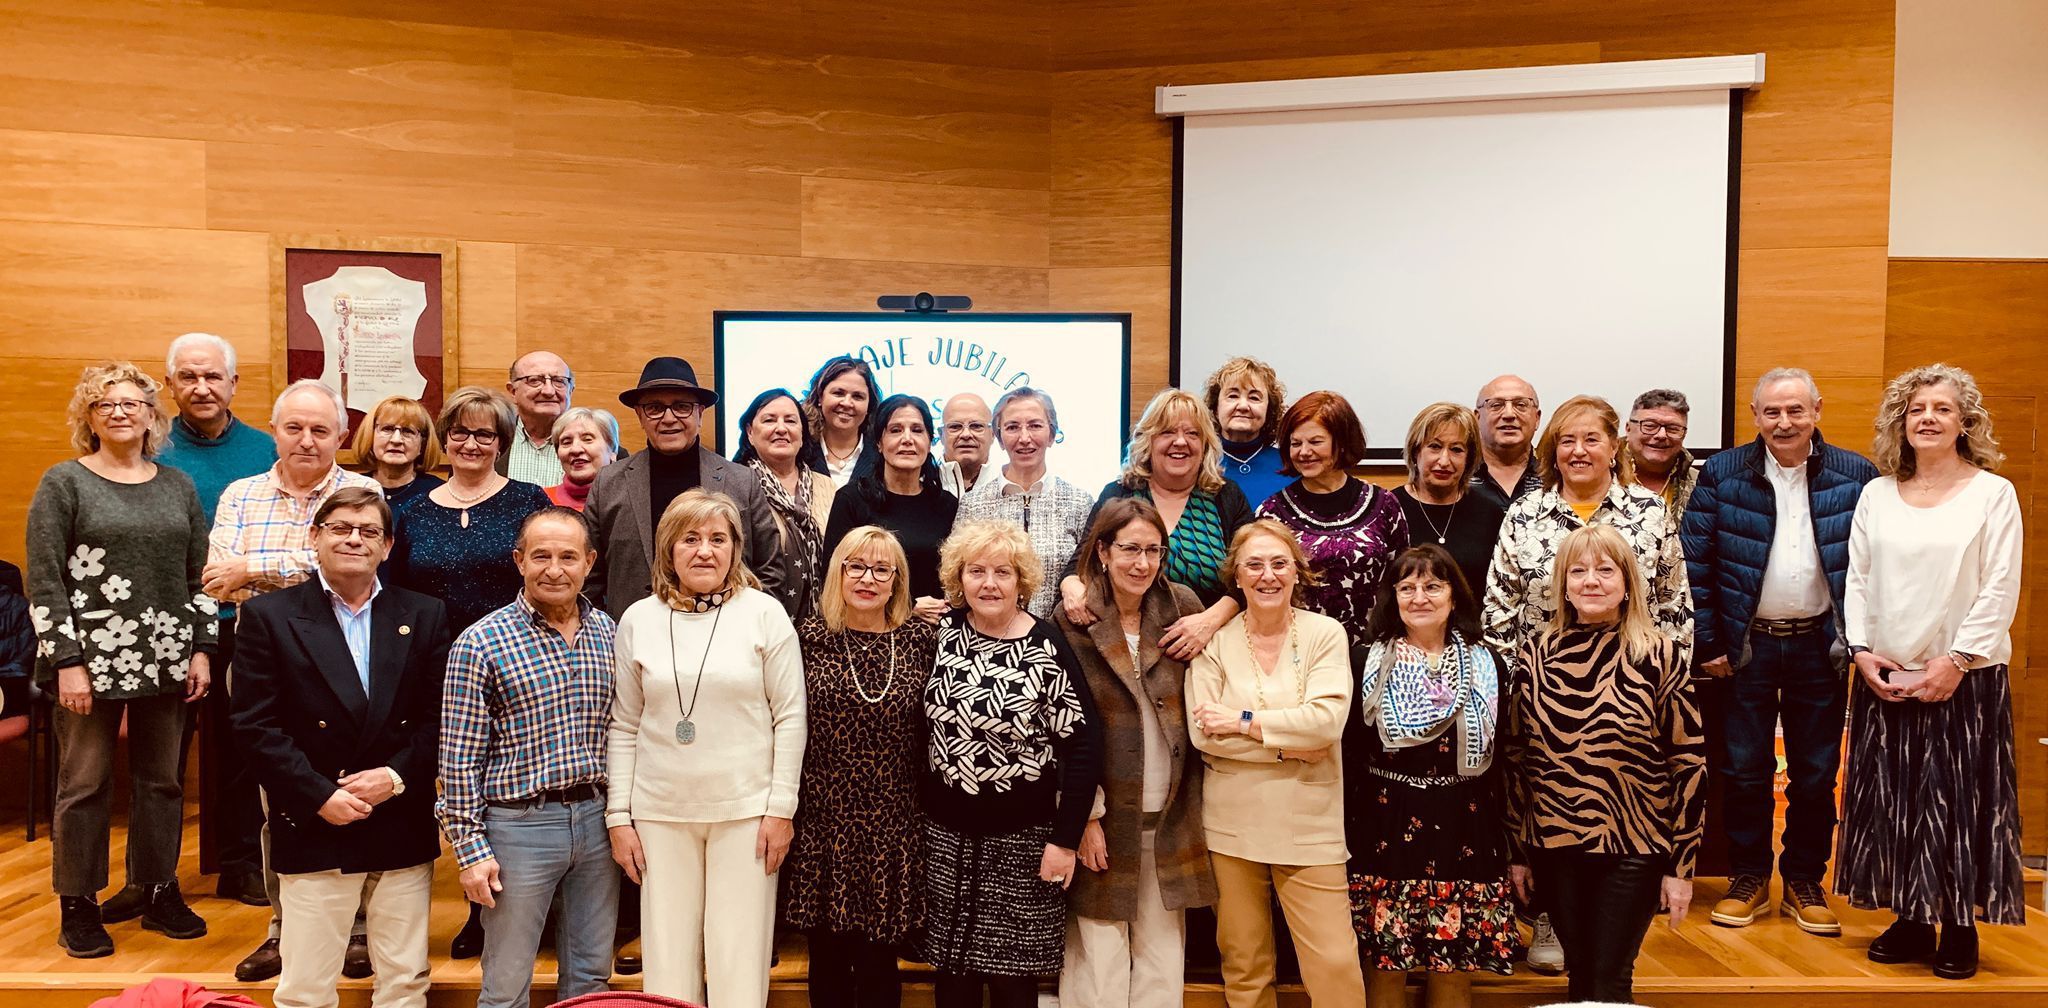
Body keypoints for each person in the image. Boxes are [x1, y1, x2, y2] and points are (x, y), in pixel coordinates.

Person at [229, 487, 451, 1008]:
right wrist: (318, 795)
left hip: (399, 816)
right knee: (307, 986)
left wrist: (394, 778)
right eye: (341, 528)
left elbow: (440, 718)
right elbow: (255, 725)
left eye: (369, 530)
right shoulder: (269, 616)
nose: (355, 539)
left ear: (388, 545)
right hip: (315, 822)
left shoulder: (424, 614)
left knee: (404, 981)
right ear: (315, 537)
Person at [1837, 364, 2024, 981]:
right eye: (1917, 408)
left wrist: (1959, 659)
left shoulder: (1993, 493)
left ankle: (1958, 925)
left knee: (1956, 803)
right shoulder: (1876, 493)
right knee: (1894, 803)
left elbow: (1999, 586)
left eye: (1942, 408)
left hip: (1962, 678)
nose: (1928, 417)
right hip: (1886, 675)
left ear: (1965, 422)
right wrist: (1861, 650)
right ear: (1901, 421)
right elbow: (1857, 579)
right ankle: (1910, 918)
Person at [28, 361, 216, 957]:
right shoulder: (65, 483)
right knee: (84, 783)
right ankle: (79, 904)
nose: (119, 411)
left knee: (161, 782)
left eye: (131, 403)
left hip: (166, 654)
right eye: (105, 404)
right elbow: (45, 579)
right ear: (88, 416)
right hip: (87, 658)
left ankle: (158, 889)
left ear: (150, 417)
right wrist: (66, 662)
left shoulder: (177, 485)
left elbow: (199, 575)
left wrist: (203, 651)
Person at [1681, 369, 1876, 937]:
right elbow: (1696, 564)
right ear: (1754, 413)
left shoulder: (1856, 474)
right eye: (1772, 412)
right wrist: (1710, 642)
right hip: (1747, 648)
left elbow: (1869, 567)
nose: (1784, 422)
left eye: (1795, 410)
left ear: (1817, 408)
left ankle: (1803, 880)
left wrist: (1860, 642)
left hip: (1822, 644)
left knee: (1816, 773)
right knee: (1744, 770)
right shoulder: (1721, 472)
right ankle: (1748, 878)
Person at [207, 378, 382, 981]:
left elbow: (348, 565)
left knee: (352, 786)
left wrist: (253, 569)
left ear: (341, 435)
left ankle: (356, 930)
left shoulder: (363, 491)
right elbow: (214, 577)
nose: (306, 440)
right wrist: (302, 570)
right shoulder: (240, 493)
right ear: (275, 431)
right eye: (294, 428)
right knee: (277, 792)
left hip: (352, 653)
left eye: (320, 429)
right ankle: (283, 930)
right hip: (264, 657)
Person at [606, 489, 806, 1008]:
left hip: (747, 812)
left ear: (736, 548)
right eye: (690, 539)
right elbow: (624, 724)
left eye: (718, 539)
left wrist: (780, 808)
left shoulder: (765, 615)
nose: (704, 551)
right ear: (669, 548)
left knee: (737, 959)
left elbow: (790, 718)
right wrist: (619, 816)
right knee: (668, 961)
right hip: (659, 812)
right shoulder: (638, 619)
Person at [1505, 524, 1704, 1004]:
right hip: (1553, 844)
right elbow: (1516, 762)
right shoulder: (1535, 656)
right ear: (1563, 585)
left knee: (1611, 979)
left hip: (1635, 844)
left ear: (1627, 581)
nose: (1591, 581)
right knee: (1579, 977)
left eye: (1604, 570)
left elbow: (1690, 763)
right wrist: (1517, 853)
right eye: (1578, 571)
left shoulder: (1660, 654)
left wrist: (1682, 868)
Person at [440, 507, 620, 1008]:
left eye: (568, 556)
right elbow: (457, 760)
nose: (554, 569)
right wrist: (470, 851)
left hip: (596, 820)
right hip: (519, 826)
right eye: (541, 556)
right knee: (507, 983)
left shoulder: (610, 632)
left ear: (589, 562)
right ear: (519, 561)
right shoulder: (481, 642)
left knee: (590, 976)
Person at [921, 520, 1100, 1008]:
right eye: (976, 572)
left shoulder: (1046, 646)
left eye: (1003, 572)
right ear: (959, 580)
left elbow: (1082, 749)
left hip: (1022, 842)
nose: (989, 584)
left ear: (1021, 580)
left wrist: (1065, 840)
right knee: (951, 976)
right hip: (946, 839)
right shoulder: (941, 636)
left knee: (1012, 983)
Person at [1187, 519, 1363, 1008]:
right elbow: (1205, 735)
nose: (1268, 575)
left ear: (1297, 572)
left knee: (1333, 964)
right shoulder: (1215, 641)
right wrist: (1293, 743)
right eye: (1255, 565)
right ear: (1237, 578)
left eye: (1279, 563)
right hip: (1231, 825)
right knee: (1243, 964)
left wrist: (1242, 721)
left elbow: (1327, 724)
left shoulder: (1326, 633)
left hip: (1310, 825)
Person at [1054, 499, 1214, 1008]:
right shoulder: (1074, 618)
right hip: (1105, 814)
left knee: (1164, 958)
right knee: (1097, 959)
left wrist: (1220, 612)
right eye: (1129, 549)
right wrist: (1084, 816)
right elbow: (1059, 727)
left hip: (1171, 814)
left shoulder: (1183, 606)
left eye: (1153, 550)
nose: (1141, 563)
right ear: (1103, 551)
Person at [1345, 546, 1518, 1007]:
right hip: (1385, 823)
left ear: (1454, 596)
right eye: (1407, 588)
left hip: (1466, 823)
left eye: (1432, 586)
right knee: (1385, 961)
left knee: (1454, 961)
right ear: (1393, 598)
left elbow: (1502, 756)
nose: (1419, 597)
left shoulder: (1489, 665)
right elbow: (1350, 752)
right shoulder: (1364, 662)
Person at [785, 527, 938, 1008]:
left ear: (897, 580)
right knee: (827, 960)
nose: (867, 578)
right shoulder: (808, 637)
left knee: (879, 964)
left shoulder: (921, 638)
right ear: (838, 572)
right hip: (824, 822)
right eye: (856, 566)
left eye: (881, 569)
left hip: (892, 824)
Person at [155, 332, 276, 909]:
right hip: (163, 622)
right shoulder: (150, 450)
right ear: (171, 383)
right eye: (188, 377)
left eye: (212, 377)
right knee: (163, 758)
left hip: (244, 620)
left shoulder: (265, 449)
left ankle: (240, 863)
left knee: (239, 749)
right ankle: (153, 879)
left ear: (233, 383)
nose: (201, 388)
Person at [1483, 393, 1692, 681]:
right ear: (1554, 451)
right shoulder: (1524, 514)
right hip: (1542, 687)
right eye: (1567, 441)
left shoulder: (1651, 511)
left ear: (1613, 449)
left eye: (1591, 440)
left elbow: (1674, 605)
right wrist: (1507, 691)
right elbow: (1499, 609)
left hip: (1634, 685)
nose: (1578, 451)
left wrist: (1668, 682)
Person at [1059, 388, 1253, 663]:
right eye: (1167, 432)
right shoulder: (1120, 493)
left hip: (1212, 651)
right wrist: (1071, 588)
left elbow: (1251, 575)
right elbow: (1078, 566)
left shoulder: (1226, 496)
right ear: (1148, 439)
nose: (1180, 442)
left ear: (1206, 444)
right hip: (1126, 653)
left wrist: (1209, 621)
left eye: (1192, 434)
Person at [584, 356, 787, 619]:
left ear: (700, 412)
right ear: (640, 415)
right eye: (654, 408)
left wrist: (749, 627)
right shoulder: (608, 483)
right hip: (632, 641)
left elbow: (770, 569)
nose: (668, 418)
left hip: (725, 639)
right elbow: (588, 574)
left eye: (681, 407)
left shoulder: (742, 481)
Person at [386, 387, 552, 634]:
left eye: (484, 435)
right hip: (430, 652)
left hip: (513, 648)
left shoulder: (529, 500)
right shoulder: (415, 511)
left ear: (501, 444)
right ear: (445, 438)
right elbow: (398, 592)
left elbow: (550, 575)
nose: (471, 444)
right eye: (460, 432)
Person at [1254, 391, 1408, 645]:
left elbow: (1402, 579)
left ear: (1343, 442)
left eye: (1315, 442)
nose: (1304, 452)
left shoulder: (1385, 504)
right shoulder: (1270, 514)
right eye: (1295, 443)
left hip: (1372, 653)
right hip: (1297, 652)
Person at [955, 387, 1095, 618]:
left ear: (1052, 435)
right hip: (990, 640)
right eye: (1012, 427)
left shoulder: (1080, 503)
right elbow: (956, 581)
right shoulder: (974, 504)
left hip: (1061, 643)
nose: (1024, 438)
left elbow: (1093, 575)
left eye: (1035, 425)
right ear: (998, 438)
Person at [822, 394, 958, 623]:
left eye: (917, 430)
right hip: (870, 633)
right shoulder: (851, 499)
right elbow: (834, 577)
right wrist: (909, 607)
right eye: (895, 430)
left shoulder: (946, 505)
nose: (907, 439)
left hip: (935, 635)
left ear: (930, 441)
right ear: (878, 442)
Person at [732, 389, 835, 623]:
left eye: (790, 421)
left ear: (802, 433)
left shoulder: (828, 487)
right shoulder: (734, 487)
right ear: (750, 432)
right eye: (769, 420)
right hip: (755, 623)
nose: (781, 428)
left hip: (824, 630)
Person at [1393, 403, 1507, 596]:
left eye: (1456, 450)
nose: (1444, 461)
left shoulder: (1489, 513)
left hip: (1474, 625)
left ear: (1469, 459)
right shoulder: (1390, 508)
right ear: (1415, 451)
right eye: (1435, 447)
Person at [1204, 356, 1289, 507]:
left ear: (1269, 411)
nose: (1243, 406)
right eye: (1233, 396)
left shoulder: (1290, 466)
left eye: (1254, 398)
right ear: (1215, 408)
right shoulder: (1199, 463)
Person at [348, 396, 444, 514]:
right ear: (370, 436)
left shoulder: (439, 493)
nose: (396, 440)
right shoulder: (352, 488)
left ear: (423, 443)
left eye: (408, 431)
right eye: (387, 429)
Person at [803, 355, 884, 487]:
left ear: (869, 405)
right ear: (819, 397)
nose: (847, 403)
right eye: (838, 393)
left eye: (857, 396)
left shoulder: (883, 456)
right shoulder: (799, 451)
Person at [1469, 375, 1543, 512]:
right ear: (1477, 418)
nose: (1509, 414)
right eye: (1496, 405)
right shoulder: (1457, 473)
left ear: (1537, 418)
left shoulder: (1556, 474)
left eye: (1520, 405)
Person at [503, 351, 575, 486]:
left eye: (559, 381)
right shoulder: (488, 444)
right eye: (535, 381)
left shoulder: (603, 451)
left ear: (570, 391)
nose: (549, 391)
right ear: (513, 391)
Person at [1624, 389, 1698, 520]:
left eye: (1673, 428)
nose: (1661, 435)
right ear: (1628, 429)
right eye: (1650, 426)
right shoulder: (1602, 476)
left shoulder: (1700, 484)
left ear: (1684, 434)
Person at [546, 406, 622, 511]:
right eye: (566, 442)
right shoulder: (540, 500)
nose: (575, 449)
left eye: (587, 439)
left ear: (612, 450)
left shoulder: (632, 500)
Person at [937, 392, 994, 499]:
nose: (966, 434)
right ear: (941, 435)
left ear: (993, 434)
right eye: (955, 426)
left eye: (976, 426)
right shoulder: (920, 485)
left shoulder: (1008, 486)